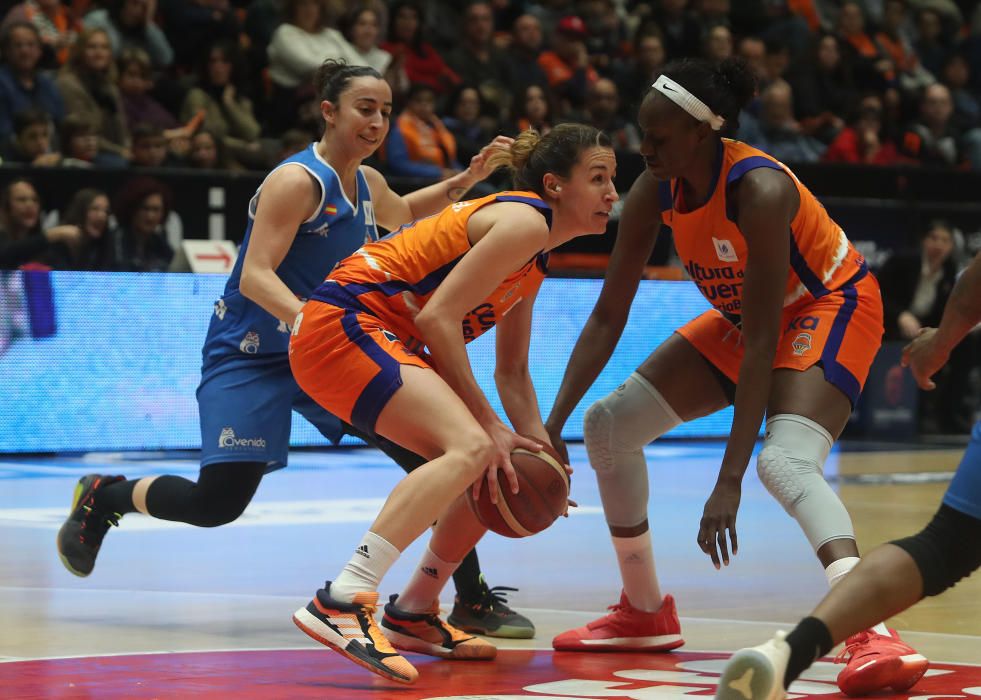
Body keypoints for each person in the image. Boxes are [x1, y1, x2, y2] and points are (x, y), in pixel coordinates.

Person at [55, 61, 534, 640]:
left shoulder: (368, 183)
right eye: (365, 108)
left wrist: (462, 182)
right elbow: (256, 274)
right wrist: (314, 320)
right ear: (328, 111)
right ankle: (107, 495)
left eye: (385, 111)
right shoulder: (297, 182)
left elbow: (403, 213)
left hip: (328, 348)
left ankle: (462, 598)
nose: (378, 121)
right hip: (253, 350)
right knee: (217, 503)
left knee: (434, 453)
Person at [543, 57, 923, 695]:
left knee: (786, 464)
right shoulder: (653, 189)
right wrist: (548, 429)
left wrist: (728, 479)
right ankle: (643, 612)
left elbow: (764, 345)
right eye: (642, 134)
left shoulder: (760, 189)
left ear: (702, 134)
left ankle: (872, 629)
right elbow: (609, 316)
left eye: (660, 138)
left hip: (831, 303)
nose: (647, 149)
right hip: (752, 316)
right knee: (606, 426)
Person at [287, 122, 617, 684]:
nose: (613, 193)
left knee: (498, 463)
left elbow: (512, 372)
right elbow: (437, 318)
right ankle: (342, 598)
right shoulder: (523, 222)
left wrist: (539, 446)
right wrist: (490, 427)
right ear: (555, 186)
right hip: (343, 322)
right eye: (599, 178)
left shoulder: (534, 258)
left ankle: (415, 608)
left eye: (614, 180)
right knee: (472, 446)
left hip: (381, 335)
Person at [716, 250, 981, 700]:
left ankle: (787, 655)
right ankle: (869, 636)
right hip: (787, 315)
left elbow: (975, 281)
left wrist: (940, 345)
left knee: (942, 545)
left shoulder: (762, 189)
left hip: (834, 305)